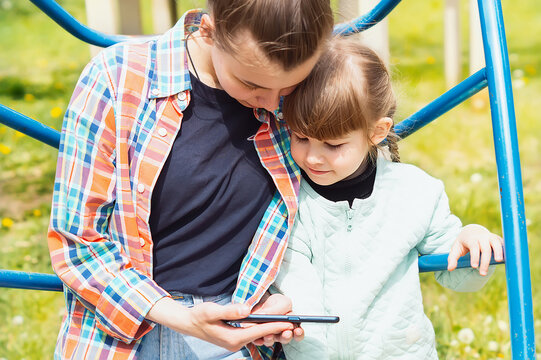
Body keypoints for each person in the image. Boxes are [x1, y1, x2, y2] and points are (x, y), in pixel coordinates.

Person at [47, 1, 334, 359]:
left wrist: (278, 296)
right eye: (252, 83)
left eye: (290, 87)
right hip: (120, 334)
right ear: (209, 30)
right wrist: (182, 318)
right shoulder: (117, 78)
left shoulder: (291, 95)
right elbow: (78, 241)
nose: (273, 102)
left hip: (239, 330)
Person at [272, 37, 504, 359]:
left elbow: (459, 277)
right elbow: (296, 292)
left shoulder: (414, 193)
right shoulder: (289, 200)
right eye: (301, 137)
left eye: (333, 145)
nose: (312, 157)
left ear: (377, 132)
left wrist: (470, 240)